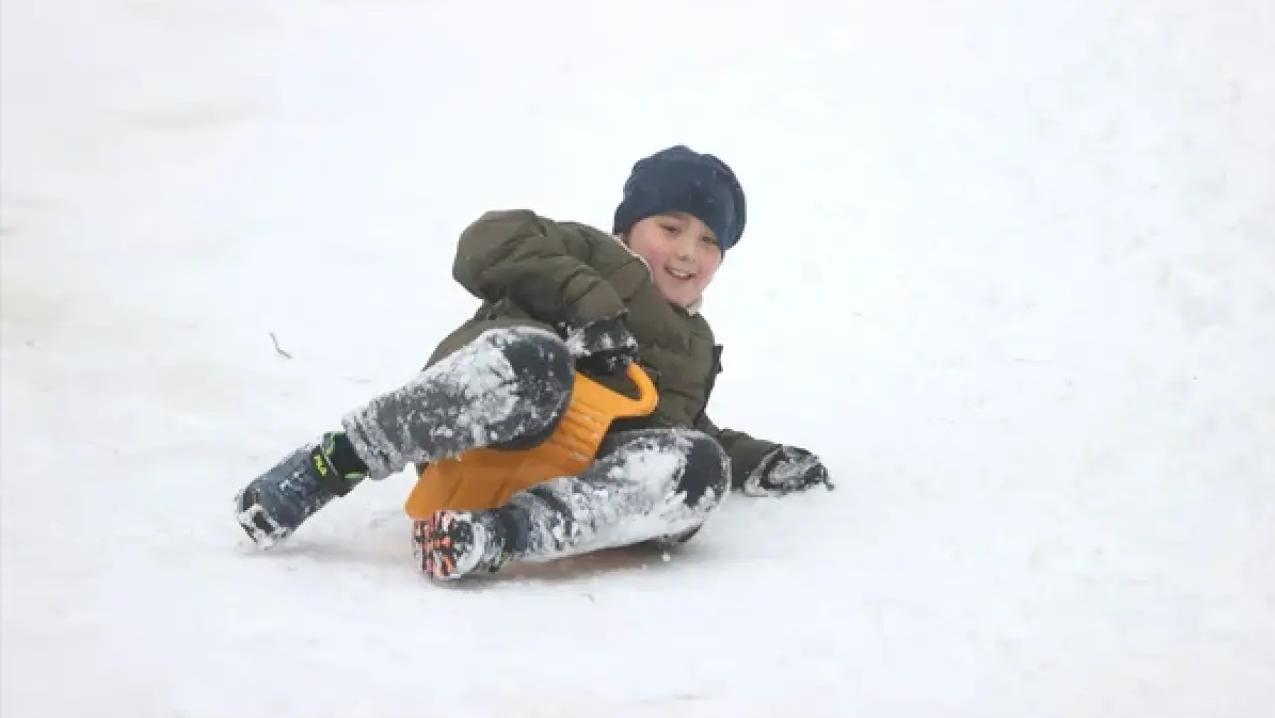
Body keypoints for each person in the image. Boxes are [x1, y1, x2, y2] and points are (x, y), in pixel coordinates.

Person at [234, 145, 833, 580]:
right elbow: (484, 243)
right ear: (628, 230)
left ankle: (495, 537)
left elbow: (685, 428)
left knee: (696, 464)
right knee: (538, 364)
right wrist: (586, 305)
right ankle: (328, 465)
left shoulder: (693, 349)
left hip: (550, 475)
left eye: (709, 241)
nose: (686, 251)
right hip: (476, 414)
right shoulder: (592, 256)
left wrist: (755, 462)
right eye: (670, 227)